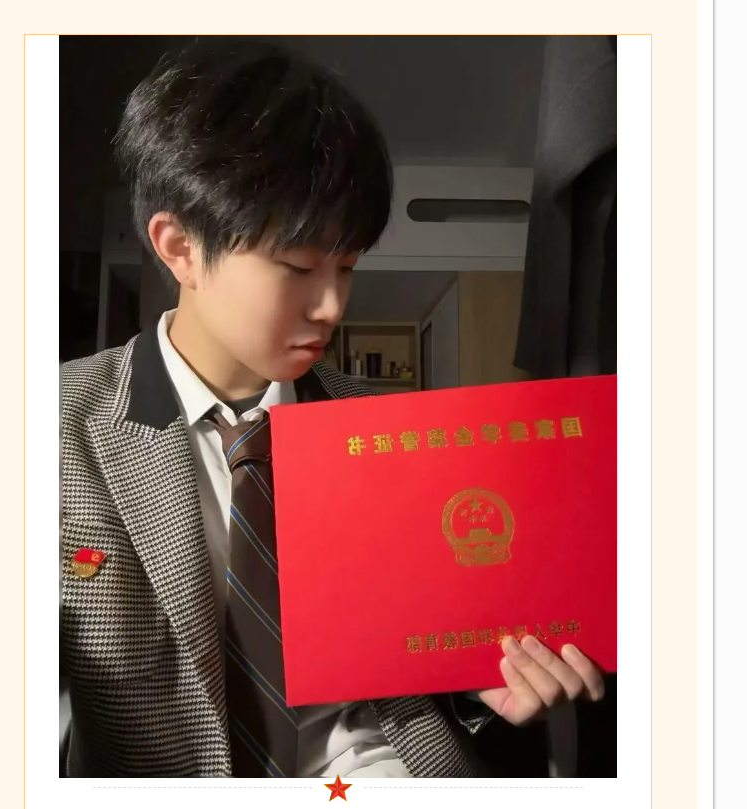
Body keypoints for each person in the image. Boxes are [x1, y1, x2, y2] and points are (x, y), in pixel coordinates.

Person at [60, 37, 604, 778]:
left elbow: (445, 664)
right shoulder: (48, 425)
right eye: (297, 267)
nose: (331, 306)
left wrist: (490, 690)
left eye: (346, 267)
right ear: (179, 246)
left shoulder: (394, 432)